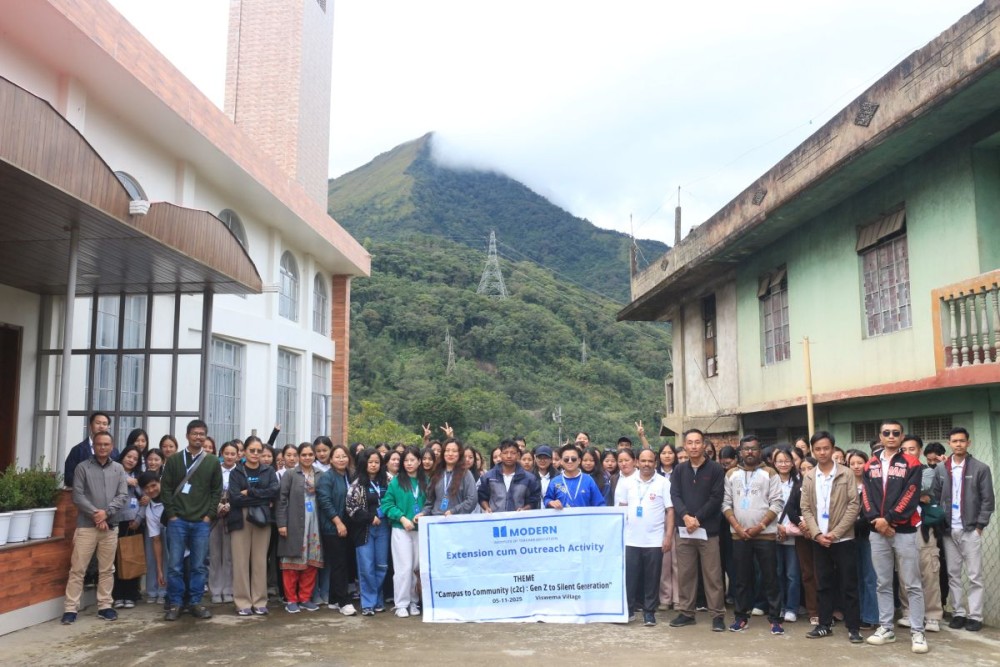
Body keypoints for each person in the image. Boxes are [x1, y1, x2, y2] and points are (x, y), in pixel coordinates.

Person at [860, 419, 927, 653]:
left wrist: (888, 519)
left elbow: (910, 495)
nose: (891, 436)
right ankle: (886, 628)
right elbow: (866, 496)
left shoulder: (912, 463)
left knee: (912, 584)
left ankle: (918, 632)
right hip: (877, 532)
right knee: (883, 582)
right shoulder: (870, 465)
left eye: (895, 433)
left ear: (901, 436)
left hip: (904, 531)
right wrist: (876, 522)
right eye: (886, 433)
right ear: (880, 436)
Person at [800, 432, 862, 643]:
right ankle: (824, 624)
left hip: (843, 539)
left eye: (826, 448)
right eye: (817, 449)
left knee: (849, 584)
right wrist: (817, 533)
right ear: (813, 450)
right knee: (822, 583)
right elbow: (805, 507)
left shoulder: (846, 474)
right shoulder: (809, 476)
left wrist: (836, 533)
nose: (822, 452)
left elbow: (854, 506)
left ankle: (854, 627)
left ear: (833, 448)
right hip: (819, 540)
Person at [932, 426, 995, 632]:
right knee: (953, 574)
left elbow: (988, 500)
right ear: (949, 444)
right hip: (950, 530)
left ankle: (975, 616)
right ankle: (958, 612)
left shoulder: (980, 468)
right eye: (954, 441)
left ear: (968, 443)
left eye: (962, 441)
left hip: (970, 530)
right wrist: (941, 523)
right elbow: (935, 495)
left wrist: (979, 526)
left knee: (975, 575)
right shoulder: (942, 469)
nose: (958, 444)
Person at [61, 430, 127, 625]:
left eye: (107, 444)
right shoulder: (83, 468)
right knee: (77, 569)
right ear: (94, 446)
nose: (103, 447)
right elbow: (78, 496)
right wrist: (96, 514)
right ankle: (70, 608)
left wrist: (106, 513)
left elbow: (122, 495)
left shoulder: (118, 469)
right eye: (99, 444)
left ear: (112, 446)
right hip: (86, 527)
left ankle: (105, 606)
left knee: (107, 569)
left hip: (110, 527)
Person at [722, 435, 784, 635]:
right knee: (741, 578)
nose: (749, 452)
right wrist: (737, 527)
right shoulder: (731, 474)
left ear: (760, 451)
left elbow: (777, 502)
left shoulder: (770, 473)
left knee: (770, 577)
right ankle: (741, 617)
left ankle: (775, 619)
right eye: (746, 449)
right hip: (739, 535)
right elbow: (725, 503)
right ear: (740, 452)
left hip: (764, 535)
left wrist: (760, 526)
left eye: (754, 449)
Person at [160, 419, 222, 621]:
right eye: (195, 433)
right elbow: (166, 489)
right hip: (177, 521)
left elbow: (216, 491)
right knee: (175, 565)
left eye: (202, 434)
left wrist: (208, 516)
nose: (198, 437)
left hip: (201, 522)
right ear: (187, 436)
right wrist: (171, 514)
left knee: (198, 565)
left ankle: (196, 602)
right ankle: (176, 603)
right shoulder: (175, 460)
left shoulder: (212, 461)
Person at [669, 429, 726, 632]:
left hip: (708, 531)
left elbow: (716, 498)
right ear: (685, 446)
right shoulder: (679, 470)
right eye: (690, 443)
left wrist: (698, 518)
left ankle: (717, 615)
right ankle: (686, 613)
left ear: (704, 445)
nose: (693, 446)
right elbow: (675, 495)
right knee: (685, 573)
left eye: (697, 442)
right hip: (684, 530)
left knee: (713, 575)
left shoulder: (716, 470)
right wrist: (685, 517)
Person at [620, 448, 674, 626]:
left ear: (655, 463)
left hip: (654, 540)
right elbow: (621, 508)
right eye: (643, 461)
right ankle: (628, 611)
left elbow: (670, 510)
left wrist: (668, 537)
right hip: (631, 539)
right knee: (630, 578)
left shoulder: (663, 483)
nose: (646, 464)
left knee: (652, 578)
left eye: (650, 461)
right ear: (637, 462)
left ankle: (649, 613)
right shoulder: (628, 482)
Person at [227, 436, 280, 616]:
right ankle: (242, 602)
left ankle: (259, 601)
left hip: (262, 518)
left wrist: (249, 492)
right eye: (252, 450)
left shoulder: (268, 471)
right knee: (240, 561)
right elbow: (234, 498)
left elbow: (273, 491)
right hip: (240, 518)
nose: (256, 454)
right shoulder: (236, 472)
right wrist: (260, 496)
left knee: (259, 561)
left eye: (259, 451)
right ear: (245, 452)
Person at [896, 434, 943, 633]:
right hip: (902, 530)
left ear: (920, 451)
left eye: (912, 449)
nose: (907, 453)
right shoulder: (895, 472)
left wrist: (903, 491)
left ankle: (932, 616)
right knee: (905, 573)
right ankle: (908, 612)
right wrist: (916, 496)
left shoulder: (927, 471)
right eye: (904, 450)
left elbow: (921, 487)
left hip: (923, 530)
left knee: (929, 572)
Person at [277, 442, 324, 613]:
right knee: (292, 562)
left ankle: (305, 597)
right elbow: (281, 500)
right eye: (303, 455)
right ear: (298, 456)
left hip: (315, 523)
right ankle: (291, 599)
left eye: (310, 454)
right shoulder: (290, 474)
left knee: (311, 562)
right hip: (294, 522)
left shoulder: (320, 474)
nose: (307, 457)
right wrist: (282, 523)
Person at [381, 446, 427, 618]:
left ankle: (414, 601)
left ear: (419, 462)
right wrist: (401, 518)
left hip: (420, 530)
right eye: (406, 461)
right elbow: (387, 504)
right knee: (403, 567)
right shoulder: (396, 481)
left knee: (416, 567)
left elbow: (431, 502)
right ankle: (401, 603)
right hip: (401, 530)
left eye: (412, 460)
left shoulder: (425, 481)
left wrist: (423, 514)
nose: (409, 464)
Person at [347, 449, 390, 616]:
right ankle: (368, 603)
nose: (373, 465)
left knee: (382, 566)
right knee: (366, 567)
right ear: (364, 463)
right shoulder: (357, 483)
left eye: (377, 462)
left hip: (384, 527)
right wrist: (370, 517)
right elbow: (351, 508)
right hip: (364, 529)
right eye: (370, 462)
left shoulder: (388, 480)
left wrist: (381, 513)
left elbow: (392, 499)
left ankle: (378, 600)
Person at [316, 443, 357, 616]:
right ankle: (343, 601)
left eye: (344, 456)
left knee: (343, 562)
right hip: (333, 527)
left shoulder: (350, 475)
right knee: (339, 563)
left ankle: (333, 598)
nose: (341, 459)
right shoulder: (327, 477)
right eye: (337, 456)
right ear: (331, 459)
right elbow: (325, 502)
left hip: (349, 526)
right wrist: (338, 523)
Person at [846, 449, 878, 629]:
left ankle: (871, 616)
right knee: (854, 577)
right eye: (852, 463)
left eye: (860, 462)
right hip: (848, 538)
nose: (856, 466)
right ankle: (856, 614)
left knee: (870, 577)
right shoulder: (844, 485)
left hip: (868, 536)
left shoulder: (872, 485)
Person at [112, 444, 144, 609]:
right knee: (116, 560)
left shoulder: (140, 476)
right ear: (122, 456)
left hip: (133, 522)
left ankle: (131, 594)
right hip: (116, 521)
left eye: (135, 458)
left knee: (132, 557)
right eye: (129, 457)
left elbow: (145, 500)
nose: (131, 460)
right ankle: (117, 595)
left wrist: (138, 519)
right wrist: (126, 480)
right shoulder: (113, 472)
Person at [773, 448, 802, 623]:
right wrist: (775, 526)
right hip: (773, 532)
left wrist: (787, 528)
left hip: (793, 534)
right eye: (779, 461)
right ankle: (780, 607)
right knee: (777, 573)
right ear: (774, 463)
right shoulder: (770, 481)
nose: (783, 464)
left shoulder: (800, 482)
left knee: (792, 574)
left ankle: (792, 607)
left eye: (786, 461)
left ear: (792, 463)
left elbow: (802, 509)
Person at [209, 441, 238, 604]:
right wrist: (218, 506)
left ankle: (228, 589)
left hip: (232, 516)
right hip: (215, 516)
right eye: (226, 453)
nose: (229, 456)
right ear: (221, 453)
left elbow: (242, 492)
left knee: (229, 555)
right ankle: (215, 589)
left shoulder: (240, 472)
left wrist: (230, 505)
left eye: (233, 454)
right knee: (214, 555)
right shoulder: (214, 470)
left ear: (237, 455)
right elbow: (207, 490)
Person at [479, 440, 540, 512]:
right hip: (495, 519)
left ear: (518, 455)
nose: (509, 456)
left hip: (519, 519)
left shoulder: (529, 478)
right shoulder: (489, 476)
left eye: (513, 453)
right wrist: (487, 508)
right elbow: (482, 496)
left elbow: (534, 499)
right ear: (501, 455)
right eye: (505, 453)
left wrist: (524, 509)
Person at [424, 439, 478, 516]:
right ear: (443, 453)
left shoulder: (466, 474)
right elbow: (430, 501)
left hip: (456, 521)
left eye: (454, 451)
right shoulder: (436, 473)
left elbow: (472, 500)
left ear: (460, 453)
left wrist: (454, 511)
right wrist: (424, 513)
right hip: (436, 521)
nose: (450, 454)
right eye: (447, 450)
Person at [64, 412, 117, 488]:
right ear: (90, 426)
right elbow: (68, 476)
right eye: (98, 423)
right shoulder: (78, 450)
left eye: (105, 424)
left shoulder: (114, 451)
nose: (101, 426)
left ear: (108, 427)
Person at [544, 444, 606, 509]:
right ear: (561, 461)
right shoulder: (555, 481)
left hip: (585, 518)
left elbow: (600, 504)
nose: (570, 461)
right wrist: (551, 502)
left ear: (579, 460)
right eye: (566, 459)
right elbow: (547, 499)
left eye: (573, 459)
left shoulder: (588, 480)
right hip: (562, 518)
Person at [137, 471, 166, 606]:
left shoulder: (171, 498)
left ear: (160, 482)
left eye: (153, 485)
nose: (151, 490)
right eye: (146, 488)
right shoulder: (150, 510)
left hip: (176, 532)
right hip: (159, 534)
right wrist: (159, 571)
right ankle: (156, 590)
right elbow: (156, 541)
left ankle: (166, 592)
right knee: (154, 559)